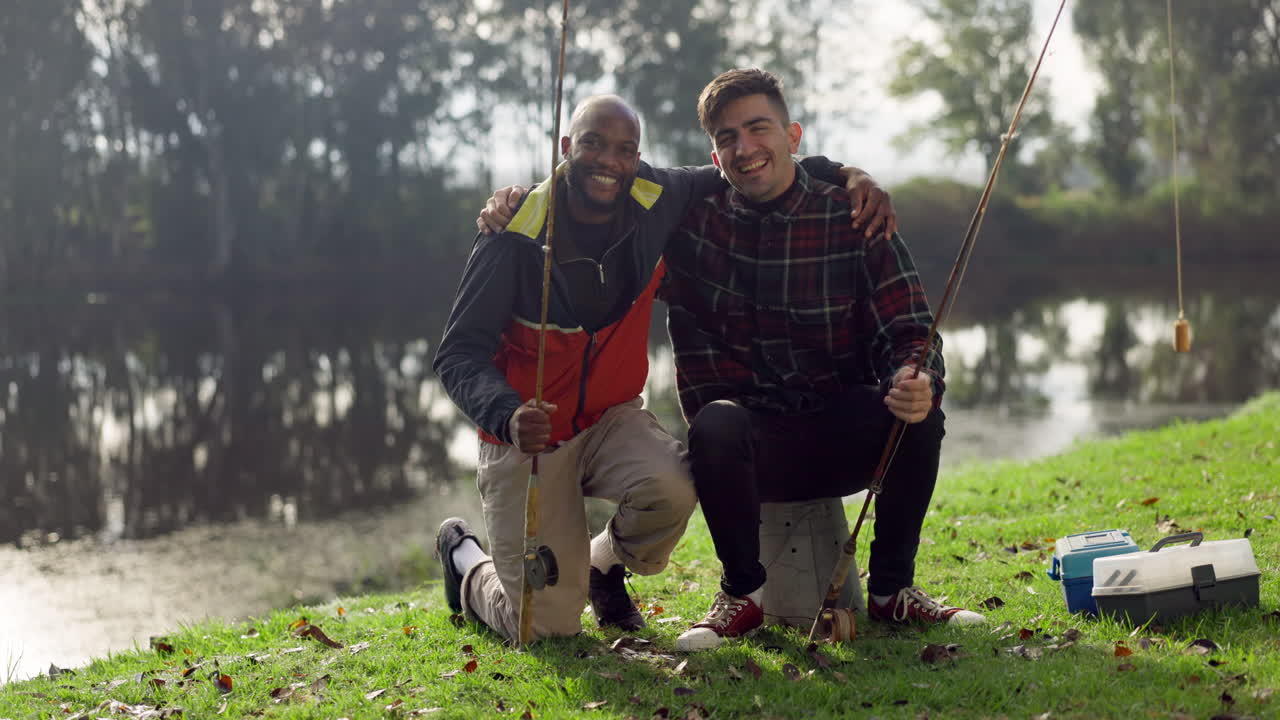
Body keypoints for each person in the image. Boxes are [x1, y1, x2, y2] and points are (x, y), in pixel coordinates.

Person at [433, 94, 896, 644]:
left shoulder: (657, 197)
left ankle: (603, 564)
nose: (609, 160)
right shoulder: (516, 233)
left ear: (637, 157)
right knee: (543, 627)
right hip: (526, 438)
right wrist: (508, 415)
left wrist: (850, 175)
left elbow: (749, 167)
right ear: (566, 148)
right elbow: (457, 353)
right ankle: (466, 562)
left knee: (676, 484)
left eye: (625, 149)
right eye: (593, 144)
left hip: (610, 420)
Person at [662, 68, 985, 653]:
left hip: (842, 435)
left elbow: (911, 328)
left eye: (758, 128)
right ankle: (742, 595)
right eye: (728, 137)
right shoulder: (691, 226)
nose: (745, 147)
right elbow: (604, 190)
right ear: (714, 155)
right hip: (746, 453)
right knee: (715, 422)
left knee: (918, 408)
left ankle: (893, 589)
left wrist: (916, 375)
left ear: (794, 135)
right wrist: (516, 207)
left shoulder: (854, 215)